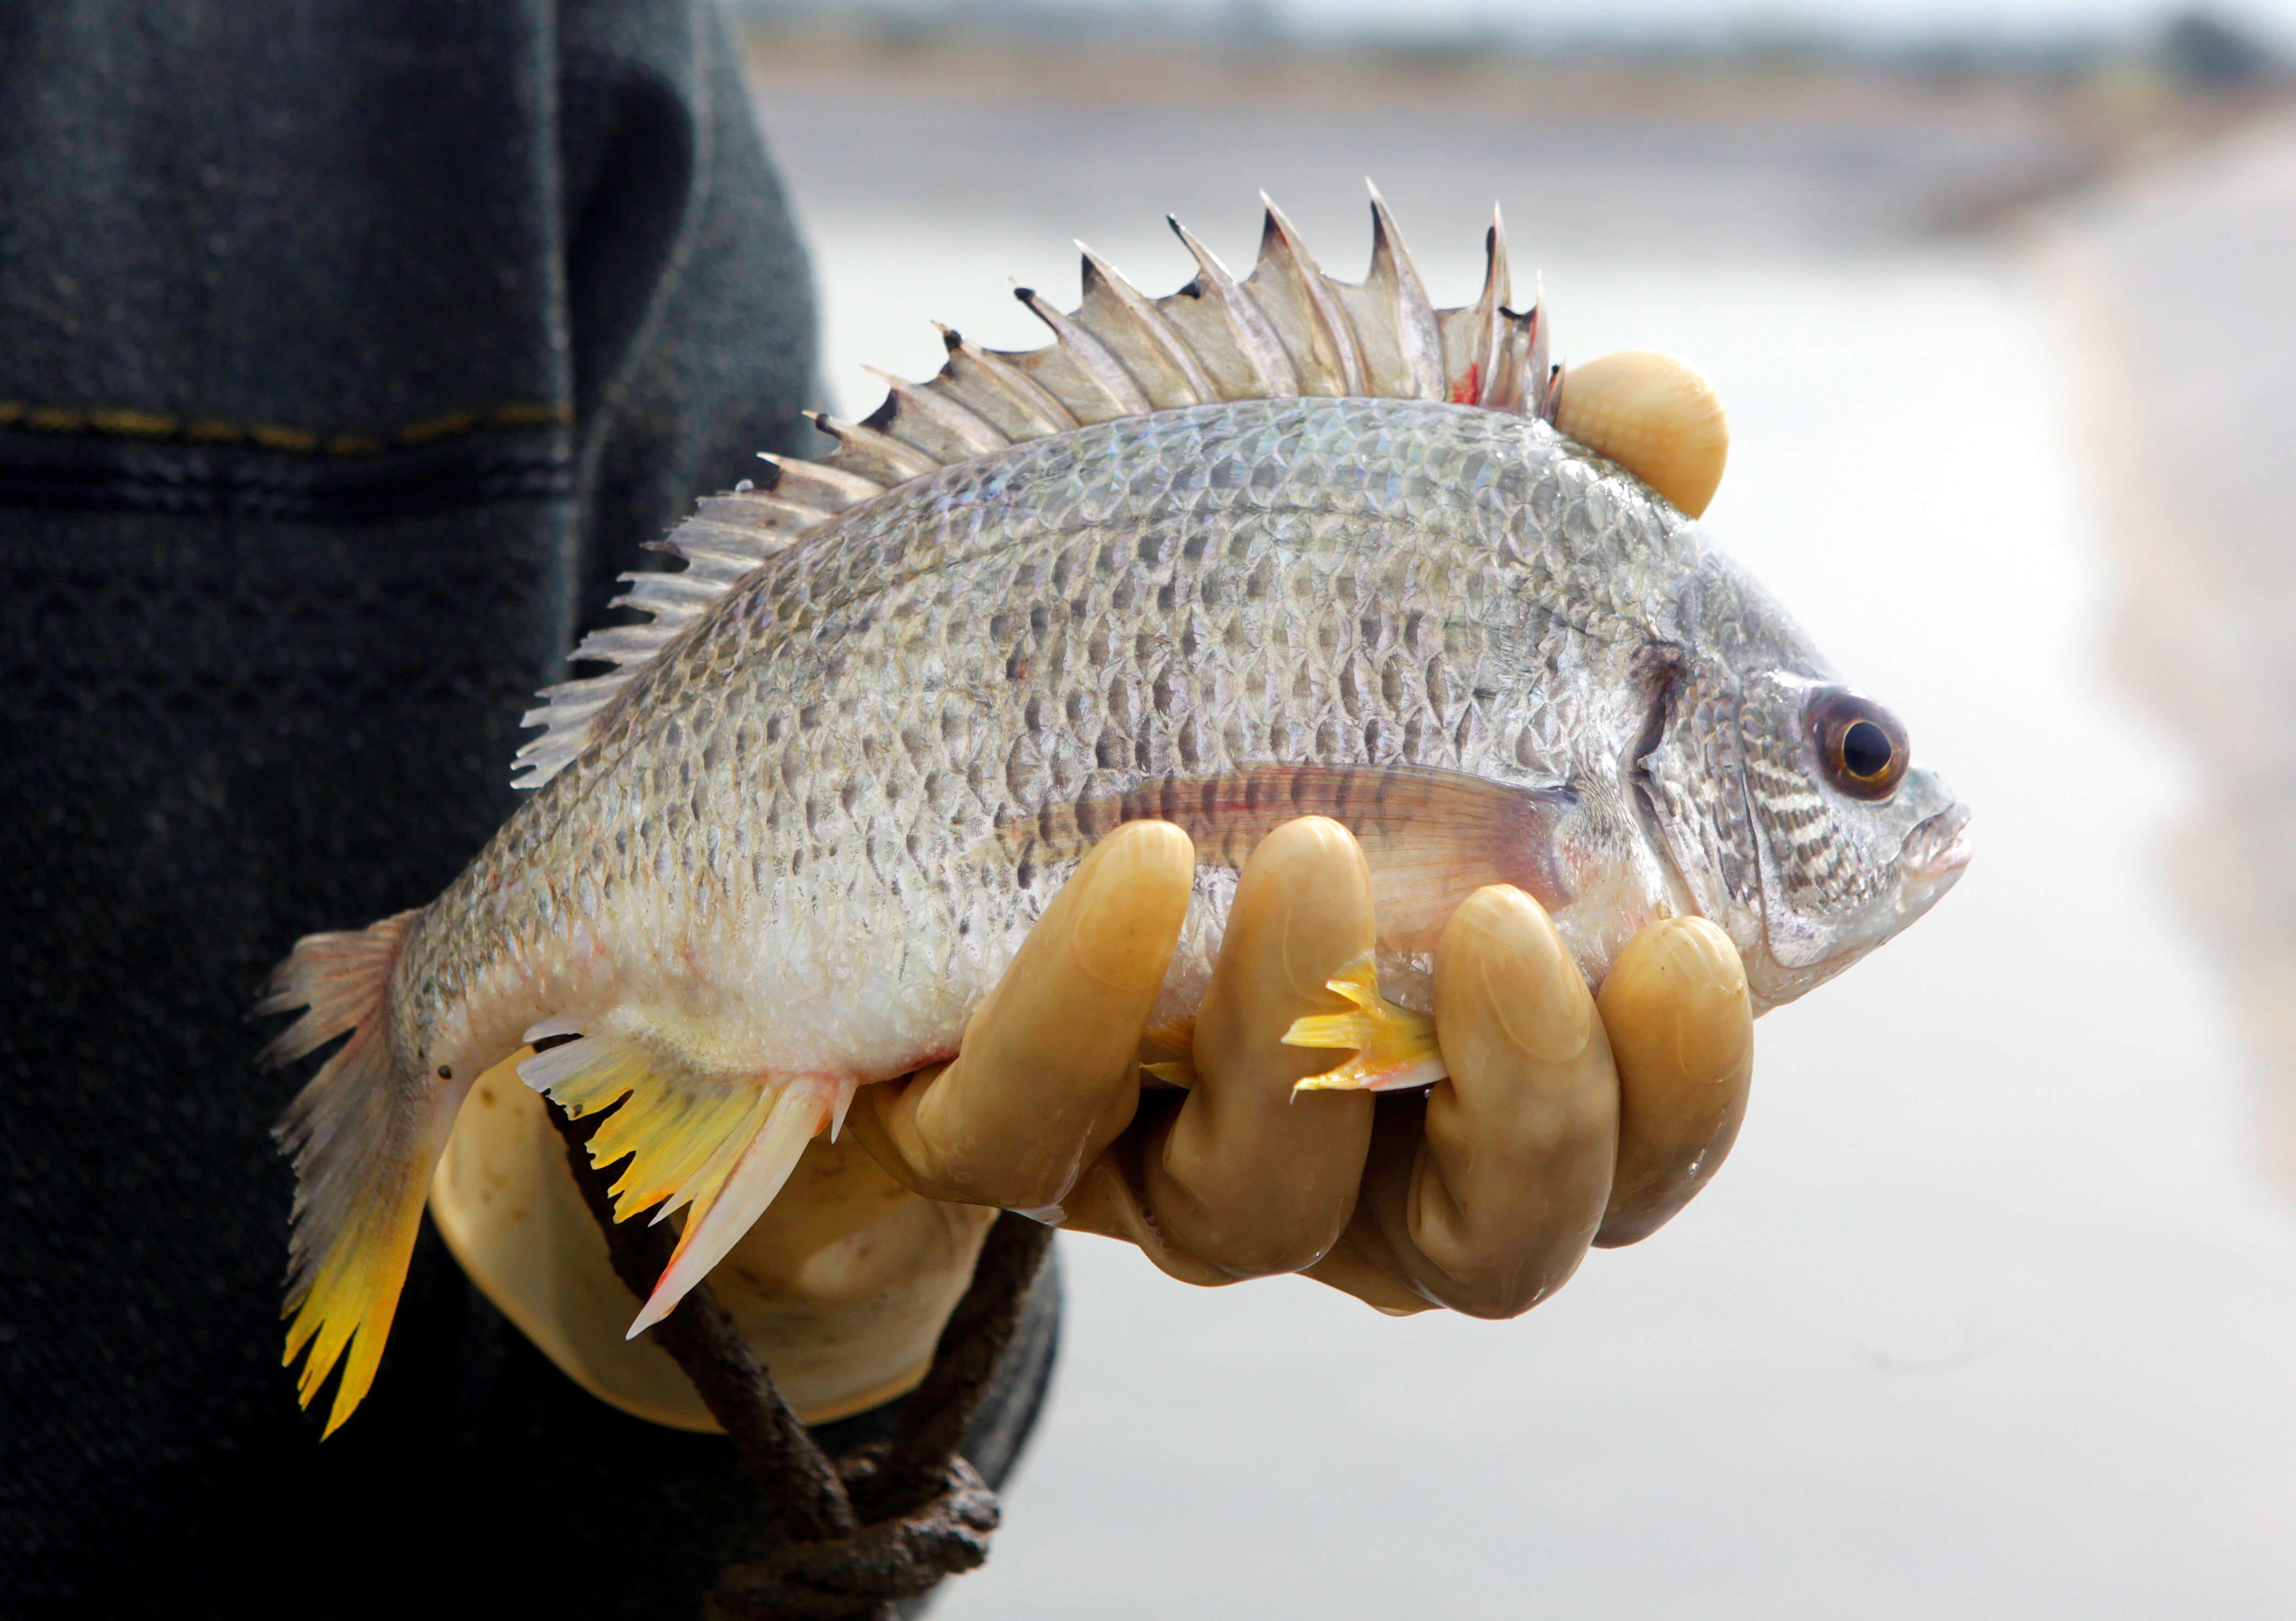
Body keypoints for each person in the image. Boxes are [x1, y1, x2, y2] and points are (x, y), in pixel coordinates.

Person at [0, 3, 1750, 1614]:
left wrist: (804, 1345)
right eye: (1853, 763)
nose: (1880, 806)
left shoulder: (552, 57)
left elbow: (749, 595)